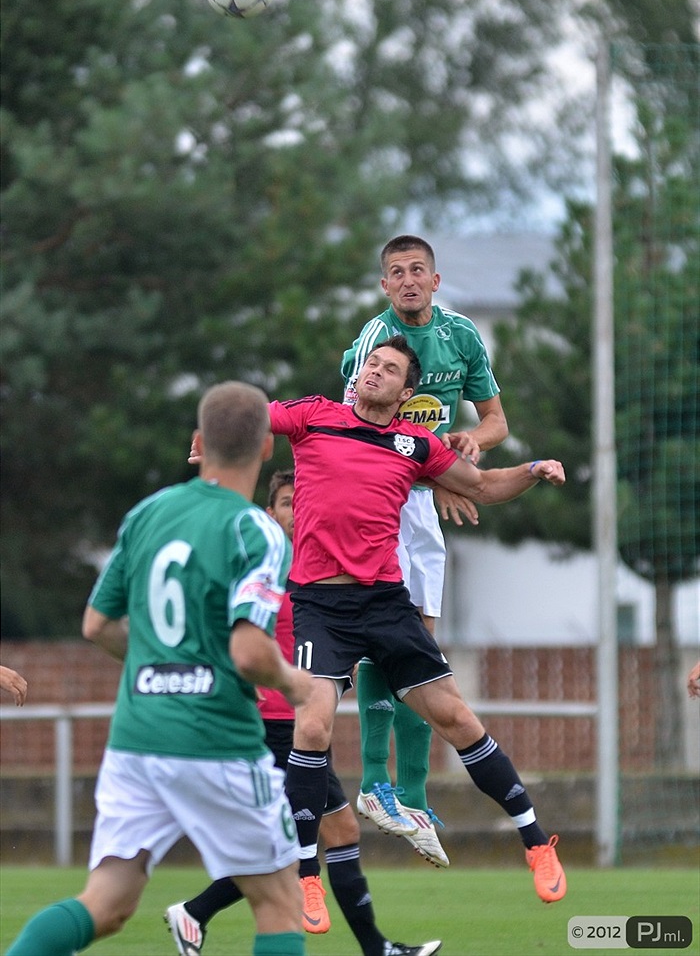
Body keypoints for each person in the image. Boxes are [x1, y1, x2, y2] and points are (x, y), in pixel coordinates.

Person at [7, 381, 313, 956]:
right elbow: (249, 653)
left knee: (107, 903)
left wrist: (156, 664)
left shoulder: (147, 513)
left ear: (199, 441)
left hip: (136, 739)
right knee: (277, 902)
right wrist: (299, 684)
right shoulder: (259, 531)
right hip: (216, 738)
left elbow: (97, 625)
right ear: (268, 448)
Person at [267, 335, 568, 908]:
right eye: (369, 364)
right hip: (321, 608)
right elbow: (250, 417)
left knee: (456, 716)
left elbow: (481, 484)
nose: (374, 371)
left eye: (389, 368)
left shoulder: (412, 444)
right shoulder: (314, 416)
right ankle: (308, 877)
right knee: (311, 728)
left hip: (385, 604)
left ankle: (534, 841)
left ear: (407, 392)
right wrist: (216, 430)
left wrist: (531, 469)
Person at [165, 470, 441, 956]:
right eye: (288, 503)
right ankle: (198, 913)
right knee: (300, 844)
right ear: (272, 512)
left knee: (326, 836)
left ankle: (197, 913)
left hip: (306, 728)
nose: (296, 511)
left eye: (303, 501)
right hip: (270, 727)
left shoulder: (326, 563)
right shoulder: (265, 564)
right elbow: (214, 623)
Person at [341, 234, 508, 868]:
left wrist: (468, 447)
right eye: (396, 272)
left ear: (436, 281)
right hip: (383, 502)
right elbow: (358, 420)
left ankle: (408, 793)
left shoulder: (462, 335)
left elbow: (495, 422)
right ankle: (375, 781)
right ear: (384, 286)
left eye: (418, 270)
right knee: (381, 638)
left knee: (420, 644)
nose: (408, 280)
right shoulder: (372, 341)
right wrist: (425, 477)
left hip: (422, 498)